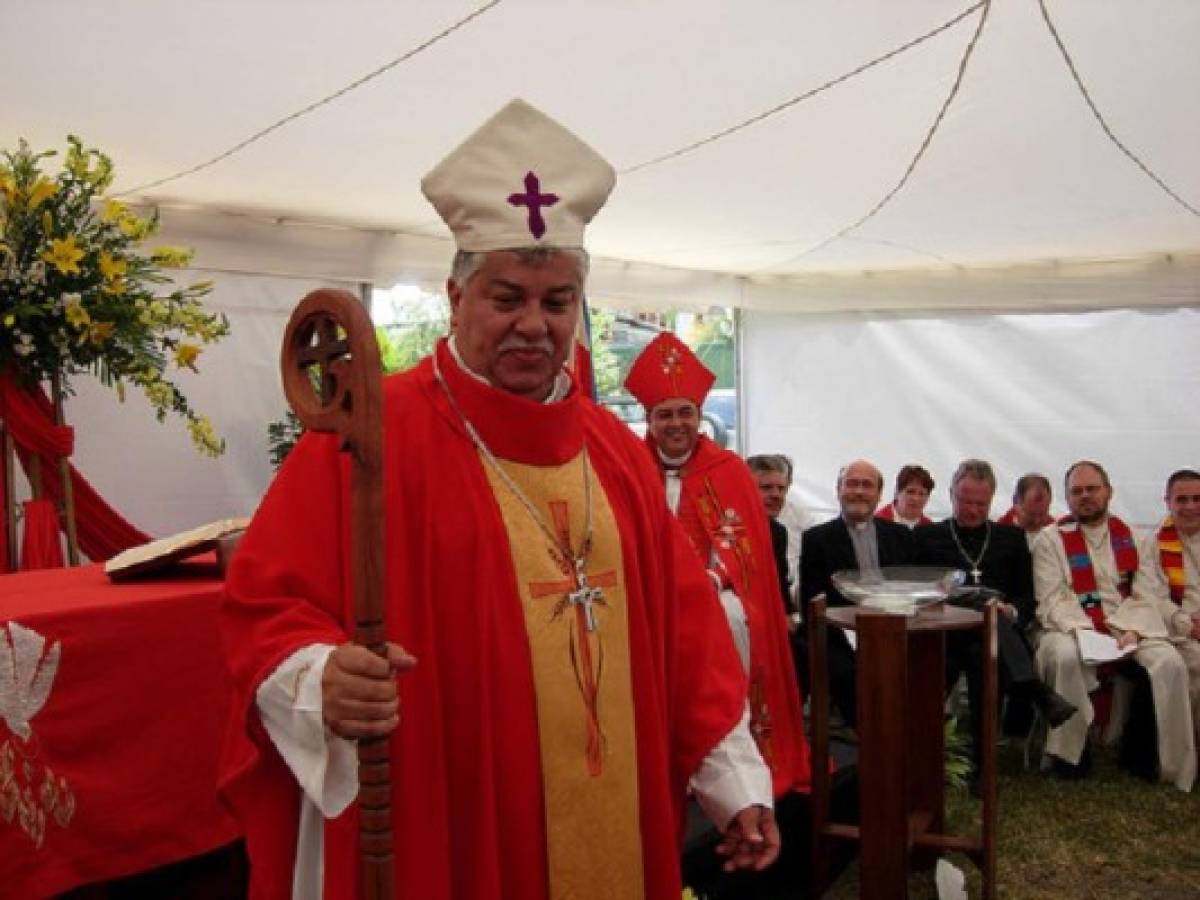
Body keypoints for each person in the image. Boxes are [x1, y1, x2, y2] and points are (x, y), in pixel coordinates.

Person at [219, 99, 779, 900]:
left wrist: (735, 785)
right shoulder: (371, 435)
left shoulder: (614, 452)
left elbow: (686, 626)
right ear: (455, 297)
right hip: (445, 803)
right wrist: (318, 676)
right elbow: (265, 603)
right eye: (506, 297)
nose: (532, 325)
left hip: (611, 804)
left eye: (555, 304)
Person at [624, 334, 811, 803]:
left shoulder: (727, 469)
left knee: (728, 618)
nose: (676, 423)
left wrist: (706, 580)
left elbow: (739, 543)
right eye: (665, 414)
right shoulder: (628, 466)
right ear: (649, 419)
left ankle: (732, 759)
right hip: (647, 593)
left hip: (713, 591)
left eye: (685, 412)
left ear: (699, 415)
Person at [1032, 461, 1195, 790]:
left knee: (1169, 662)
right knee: (1063, 655)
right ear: (1067, 497)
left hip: (1128, 626)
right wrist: (1086, 631)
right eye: (1076, 491)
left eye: (1092, 489)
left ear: (1109, 492)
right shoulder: (1050, 540)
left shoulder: (1134, 537)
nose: (1085, 496)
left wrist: (1132, 630)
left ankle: (1168, 763)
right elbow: (1051, 598)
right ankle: (1070, 755)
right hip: (1070, 626)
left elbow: (1146, 591)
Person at [914, 459, 1076, 781]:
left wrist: (1011, 611)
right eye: (965, 501)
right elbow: (918, 593)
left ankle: (982, 765)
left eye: (981, 504)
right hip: (943, 633)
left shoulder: (1010, 539)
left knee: (986, 640)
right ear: (951, 495)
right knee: (980, 609)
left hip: (992, 638)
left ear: (992, 500)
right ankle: (1034, 689)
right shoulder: (927, 537)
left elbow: (1027, 597)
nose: (973, 510)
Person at [798, 460, 915, 723]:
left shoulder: (901, 536)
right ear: (838, 490)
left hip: (895, 627)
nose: (859, 492)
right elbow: (812, 600)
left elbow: (910, 589)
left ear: (879, 494)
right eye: (851, 484)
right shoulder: (817, 539)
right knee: (849, 673)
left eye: (867, 485)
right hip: (840, 631)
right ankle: (869, 740)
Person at [1132, 468, 1200, 764]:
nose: (1190, 506)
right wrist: (1186, 622)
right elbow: (1152, 595)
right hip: (1178, 631)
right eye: (1181, 499)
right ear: (1167, 502)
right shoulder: (1154, 543)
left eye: (1197, 498)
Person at [746, 453, 796, 616]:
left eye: (781, 488)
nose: (776, 495)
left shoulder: (778, 532)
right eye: (766, 488)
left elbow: (780, 583)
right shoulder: (725, 530)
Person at [997, 473, 1055, 548]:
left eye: (1042, 514)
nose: (1037, 521)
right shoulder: (999, 532)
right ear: (1016, 502)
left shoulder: (1056, 534)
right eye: (1031, 515)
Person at [876, 464, 934, 528]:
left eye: (922, 494)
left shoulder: (929, 527)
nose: (916, 498)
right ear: (897, 493)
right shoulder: (876, 523)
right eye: (910, 492)